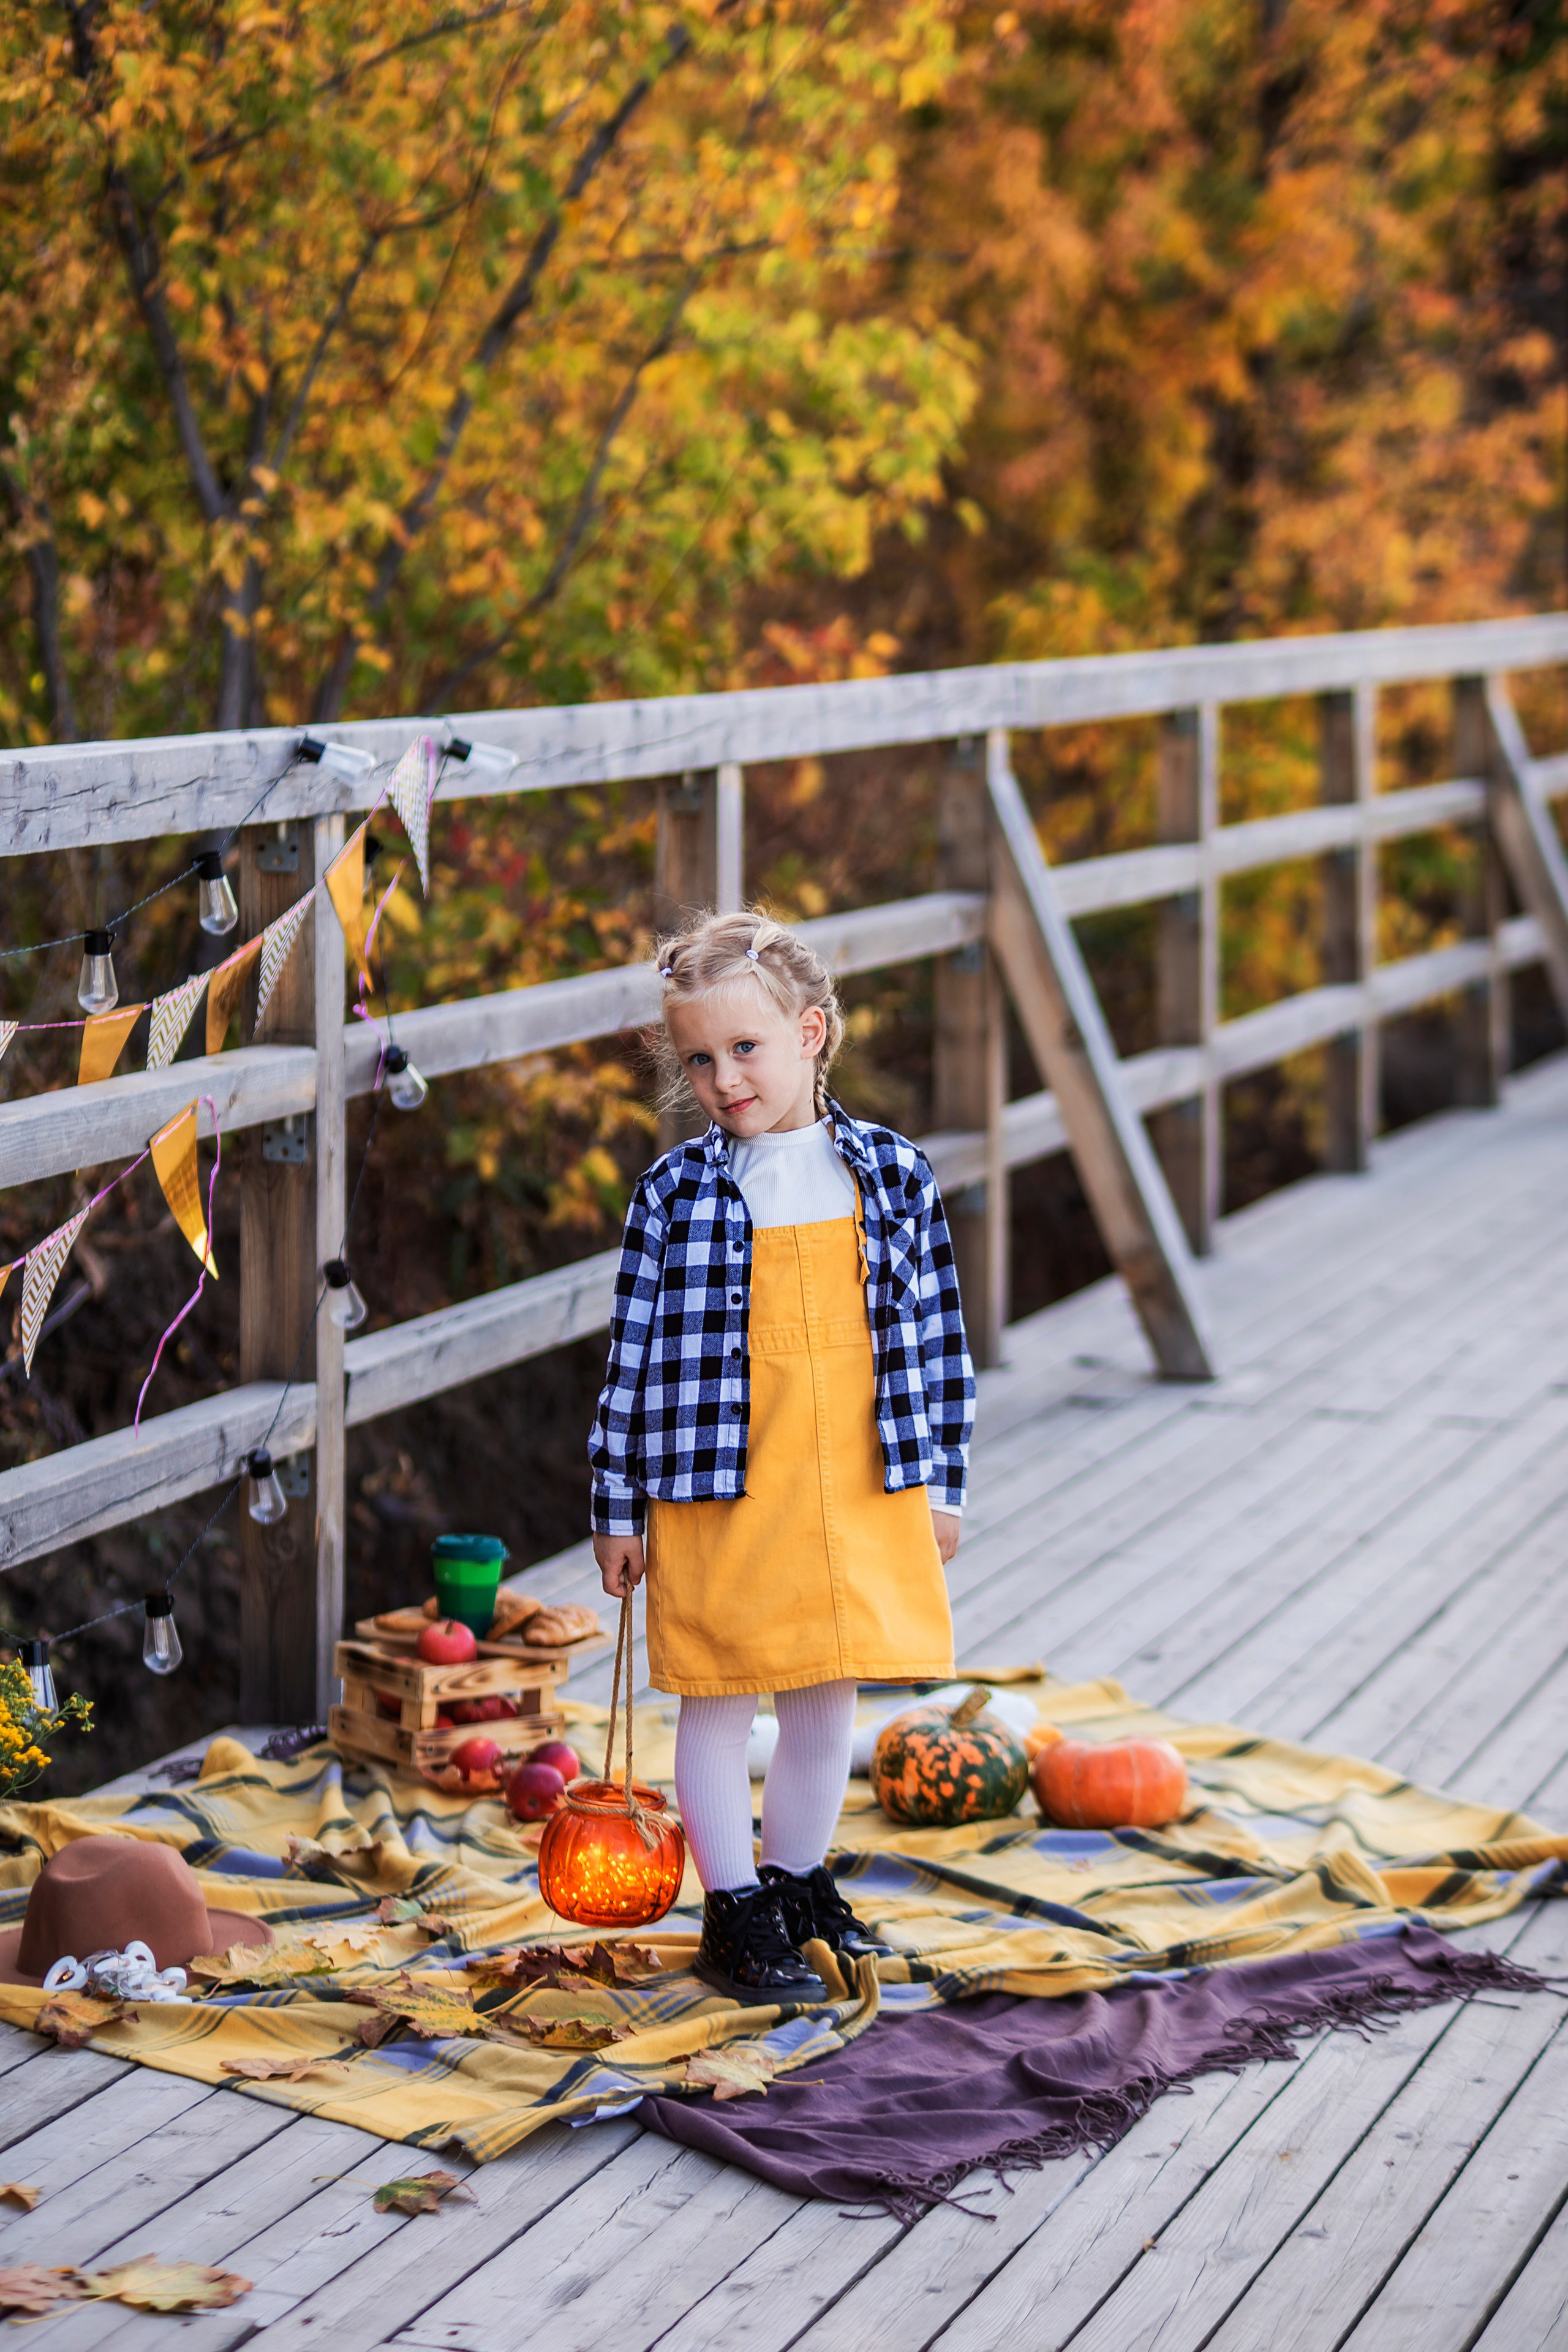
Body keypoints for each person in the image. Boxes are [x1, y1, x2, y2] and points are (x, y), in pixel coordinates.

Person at [589, 910, 974, 2001]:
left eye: (745, 1049)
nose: (723, 1078)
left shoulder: (892, 1178)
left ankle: (799, 1885)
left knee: (823, 1692)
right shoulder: (674, 1199)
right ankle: (733, 1910)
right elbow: (631, 1363)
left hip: (857, 1474)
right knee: (718, 1689)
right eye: (700, 1059)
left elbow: (939, 1339)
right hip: (720, 1481)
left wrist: (940, 1482)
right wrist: (617, 1506)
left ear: (811, 1033)